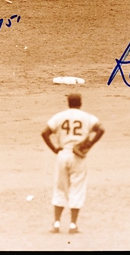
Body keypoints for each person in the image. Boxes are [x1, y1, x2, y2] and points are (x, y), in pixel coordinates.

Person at [41, 93, 105, 235]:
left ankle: (56, 224)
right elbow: (101, 129)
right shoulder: (87, 117)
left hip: (63, 154)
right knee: (77, 189)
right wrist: (89, 144)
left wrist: (54, 149)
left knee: (60, 188)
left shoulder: (60, 116)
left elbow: (44, 133)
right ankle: (72, 226)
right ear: (80, 103)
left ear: (68, 103)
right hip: (78, 156)